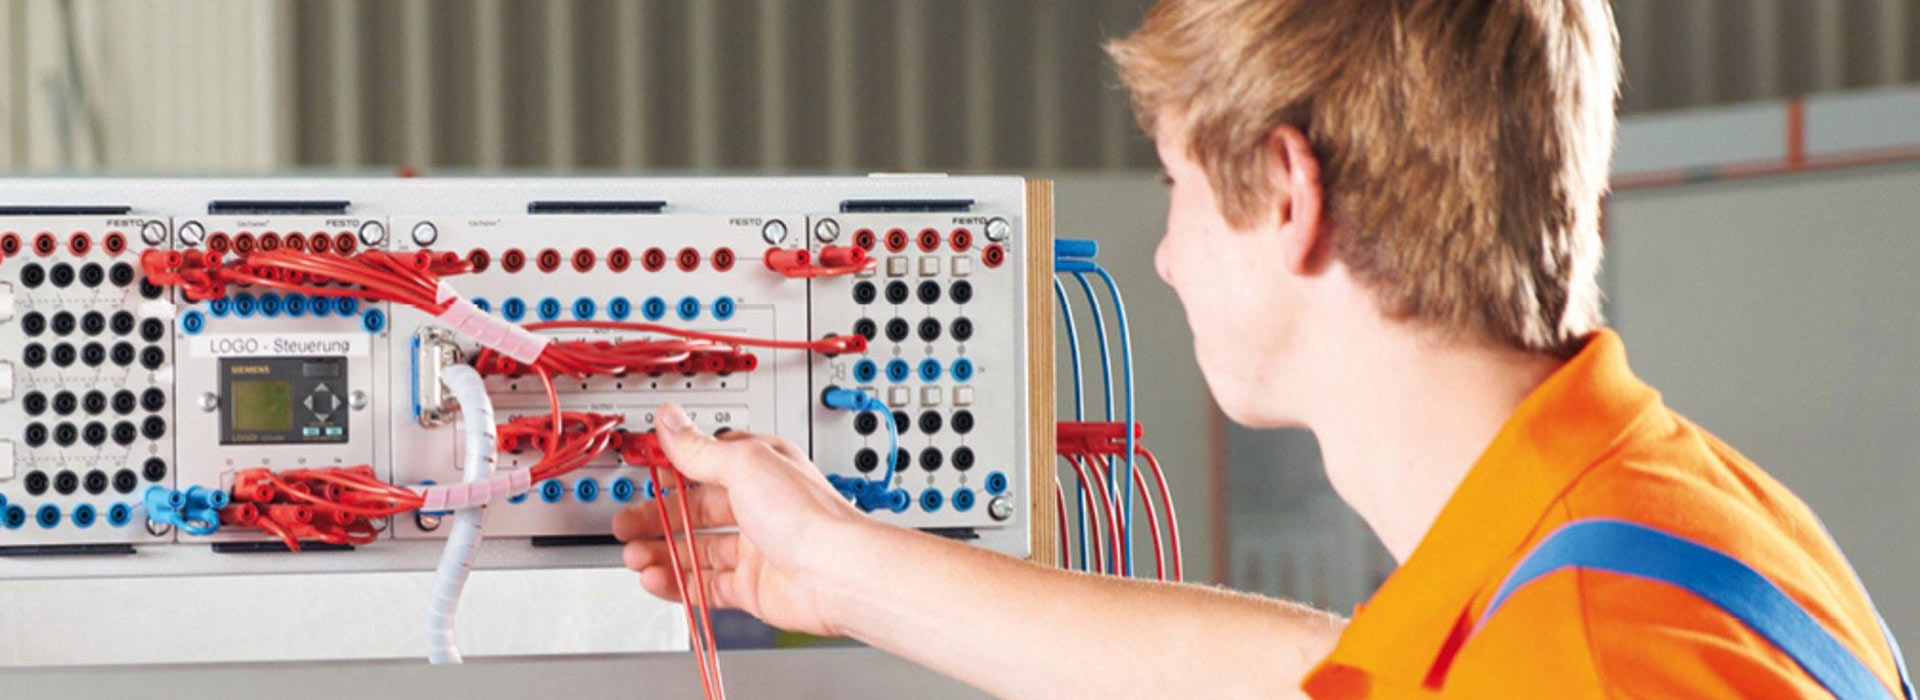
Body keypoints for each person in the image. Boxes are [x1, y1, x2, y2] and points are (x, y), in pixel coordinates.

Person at [614, 0, 1913, 697]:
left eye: (1176, 186)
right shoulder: (1669, 526)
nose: (1167, 257)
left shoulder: (1578, 657)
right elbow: (1298, 679)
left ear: (1289, 195)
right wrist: (836, 568)